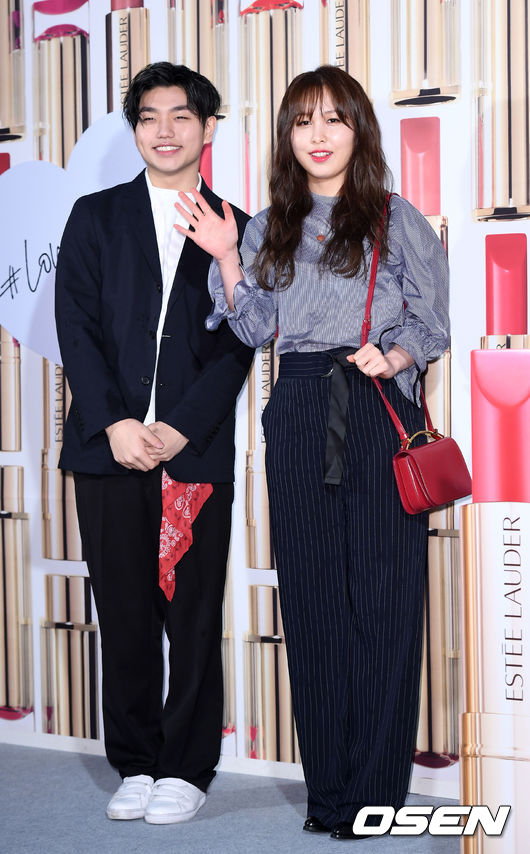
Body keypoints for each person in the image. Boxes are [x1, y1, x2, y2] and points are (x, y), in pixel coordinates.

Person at [175, 65, 449, 840]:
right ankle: (329, 794)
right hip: (298, 407)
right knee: (314, 602)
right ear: (287, 136)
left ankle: (376, 793)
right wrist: (226, 256)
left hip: (377, 404)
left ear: (359, 129)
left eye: (333, 118)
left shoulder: (396, 217)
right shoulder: (269, 224)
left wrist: (393, 357)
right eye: (303, 121)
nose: (318, 134)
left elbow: (432, 320)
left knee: (387, 605)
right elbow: (256, 327)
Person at [54, 62, 253, 825]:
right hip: (107, 451)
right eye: (148, 117)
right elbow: (76, 325)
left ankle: (187, 766)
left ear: (208, 127)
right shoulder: (95, 216)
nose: (164, 131)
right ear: (135, 129)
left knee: (194, 615)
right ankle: (135, 762)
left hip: (192, 452)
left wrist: (178, 426)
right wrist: (115, 422)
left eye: (181, 116)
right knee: (125, 612)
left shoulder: (238, 227)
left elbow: (239, 343)